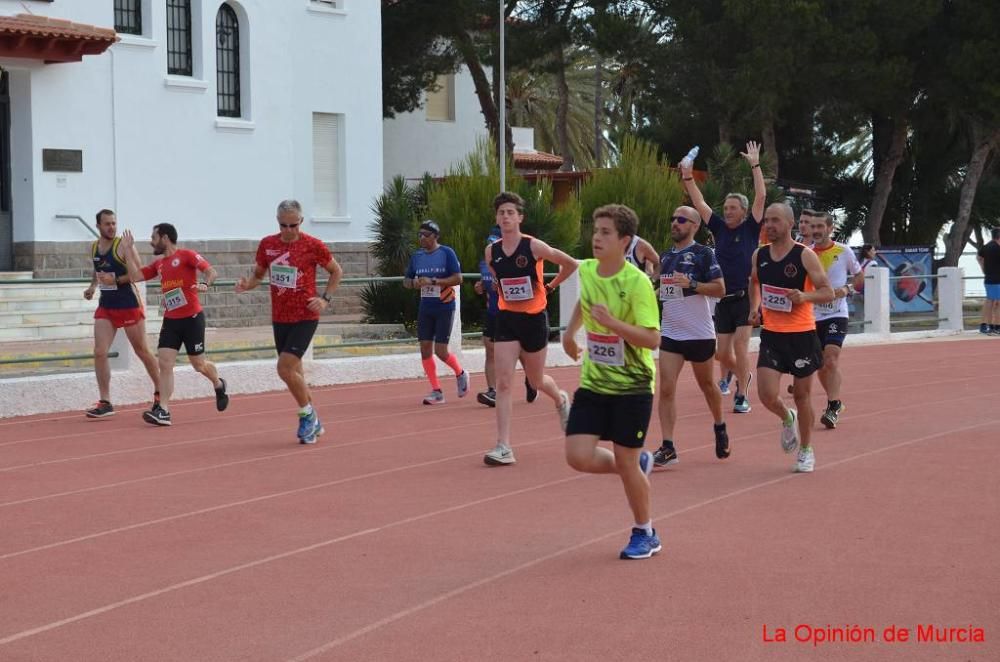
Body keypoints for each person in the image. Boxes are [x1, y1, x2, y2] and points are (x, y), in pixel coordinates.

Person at [562, 204, 662, 559]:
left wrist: (614, 325)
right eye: (595, 230)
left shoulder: (637, 284)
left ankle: (645, 532)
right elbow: (584, 303)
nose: (597, 238)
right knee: (577, 456)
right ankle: (634, 465)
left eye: (605, 232)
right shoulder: (587, 270)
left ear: (625, 240)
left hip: (632, 388)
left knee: (626, 461)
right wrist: (570, 333)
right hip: (593, 383)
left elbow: (652, 340)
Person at [235, 200, 343, 444]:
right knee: (295, 371)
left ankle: (307, 416)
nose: (288, 230)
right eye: (283, 225)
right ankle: (314, 421)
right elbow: (258, 276)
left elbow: (337, 271)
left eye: (293, 225)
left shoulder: (313, 245)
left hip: (306, 316)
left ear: (301, 222)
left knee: (284, 368)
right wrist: (246, 285)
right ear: (277, 222)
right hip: (280, 317)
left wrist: (325, 299)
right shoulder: (268, 244)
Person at [483, 191, 578, 466]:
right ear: (497, 218)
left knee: (536, 381)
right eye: (501, 213)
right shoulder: (492, 252)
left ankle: (559, 398)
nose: (506, 217)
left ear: (520, 217)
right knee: (503, 382)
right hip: (507, 319)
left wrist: (549, 287)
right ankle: (503, 446)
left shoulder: (534, 246)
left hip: (534, 319)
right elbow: (499, 280)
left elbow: (570, 264)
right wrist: (504, 293)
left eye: (511, 212)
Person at [680, 141, 765, 414]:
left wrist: (755, 164)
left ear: (743, 210)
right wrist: (688, 176)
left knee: (741, 347)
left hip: (744, 297)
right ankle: (738, 373)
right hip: (722, 299)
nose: (727, 211)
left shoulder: (751, 228)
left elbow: (761, 196)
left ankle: (742, 393)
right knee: (722, 353)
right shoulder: (718, 227)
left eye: (732, 208)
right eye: (726, 208)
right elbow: (699, 202)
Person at [748, 203, 834, 473]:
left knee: (802, 395)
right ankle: (787, 418)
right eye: (767, 221)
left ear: (789, 223)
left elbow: (828, 292)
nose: (769, 225)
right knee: (766, 394)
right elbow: (755, 283)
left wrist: (804, 297)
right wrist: (755, 308)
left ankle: (806, 450)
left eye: (775, 220)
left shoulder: (805, 255)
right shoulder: (759, 255)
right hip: (772, 334)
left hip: (801, 335)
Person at [120, 225, 229, 426]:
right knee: (165, 363)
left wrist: (206, 284)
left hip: (192, 319)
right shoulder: (159, 264)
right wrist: (127, 250)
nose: (151, 241)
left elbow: (211, 271)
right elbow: (135, 276)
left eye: (154, 237)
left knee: (199, 365)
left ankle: (218, 383)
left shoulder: (187, 255)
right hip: (171, 321)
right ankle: (163, 410)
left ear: (165, 237)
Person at [651, 206, 730, 466]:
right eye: (673, 218)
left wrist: (693, 284)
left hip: (699, 333)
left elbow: (720, 289)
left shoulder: (703, 254)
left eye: (681, 220)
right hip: (672, 332)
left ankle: (719, 425)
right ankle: (668, 446)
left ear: (694, 225)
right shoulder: (665, 257)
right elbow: (665, 291)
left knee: (707, 386)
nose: (675, 223)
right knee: (665, 389)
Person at [83, 209, 160, 418]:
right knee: (100, 352)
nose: (111, 227)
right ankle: (105, 401)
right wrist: (92, 287)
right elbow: (98, 269)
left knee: (142, 351)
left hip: (128, 304)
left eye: (114, 223)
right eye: (107, 224)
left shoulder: (122, 245)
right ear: (98, 225)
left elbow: (138, 274)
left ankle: (161, 392)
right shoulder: (94, 247)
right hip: (106, 306)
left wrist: (117, 276)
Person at [403, 220, 469, 404]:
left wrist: (433, 281)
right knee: (424, 348)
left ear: (435, 236)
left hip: (444, 306)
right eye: (419, 235)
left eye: (426, 235)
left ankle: (460, 373)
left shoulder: (446, 253)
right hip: (426, 307)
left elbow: (458, 278)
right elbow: (406, 281)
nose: (422, 238)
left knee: (440, 351)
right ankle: (436, 391)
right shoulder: (417, 256)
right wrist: (414, 283)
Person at [808, 213, 863, 428]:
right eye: (813, 226)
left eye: (820, 226)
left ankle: (831, 407)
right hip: (812, 315)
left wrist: (846, 289)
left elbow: (859, 277)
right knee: (821, 366)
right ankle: (836, 402)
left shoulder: (844, 251)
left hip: (836, 314)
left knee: (830, 359)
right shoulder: (807, 253)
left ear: (830, 228)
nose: (816, 230)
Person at [474, 225, 537, 407]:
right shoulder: (485, 262)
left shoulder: (516, 260)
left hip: (511, 312)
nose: (492, 245)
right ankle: (492, 391)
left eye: (495, 241)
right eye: (490, 242)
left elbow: (528, 286)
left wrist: (501, 287)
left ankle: (532, 380)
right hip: (493, 311)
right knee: (489, 348)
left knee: (520, 352)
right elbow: (486, 282)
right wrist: (481, 287)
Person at [977, 228, 1000, 335]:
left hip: (989, 278)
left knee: (991, 301)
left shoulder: (986, 247)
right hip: (996, 279)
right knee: (993, 302)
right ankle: (992, 326)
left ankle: (988, 325)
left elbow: (979, 257)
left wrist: (983, 269)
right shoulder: (997, 248)